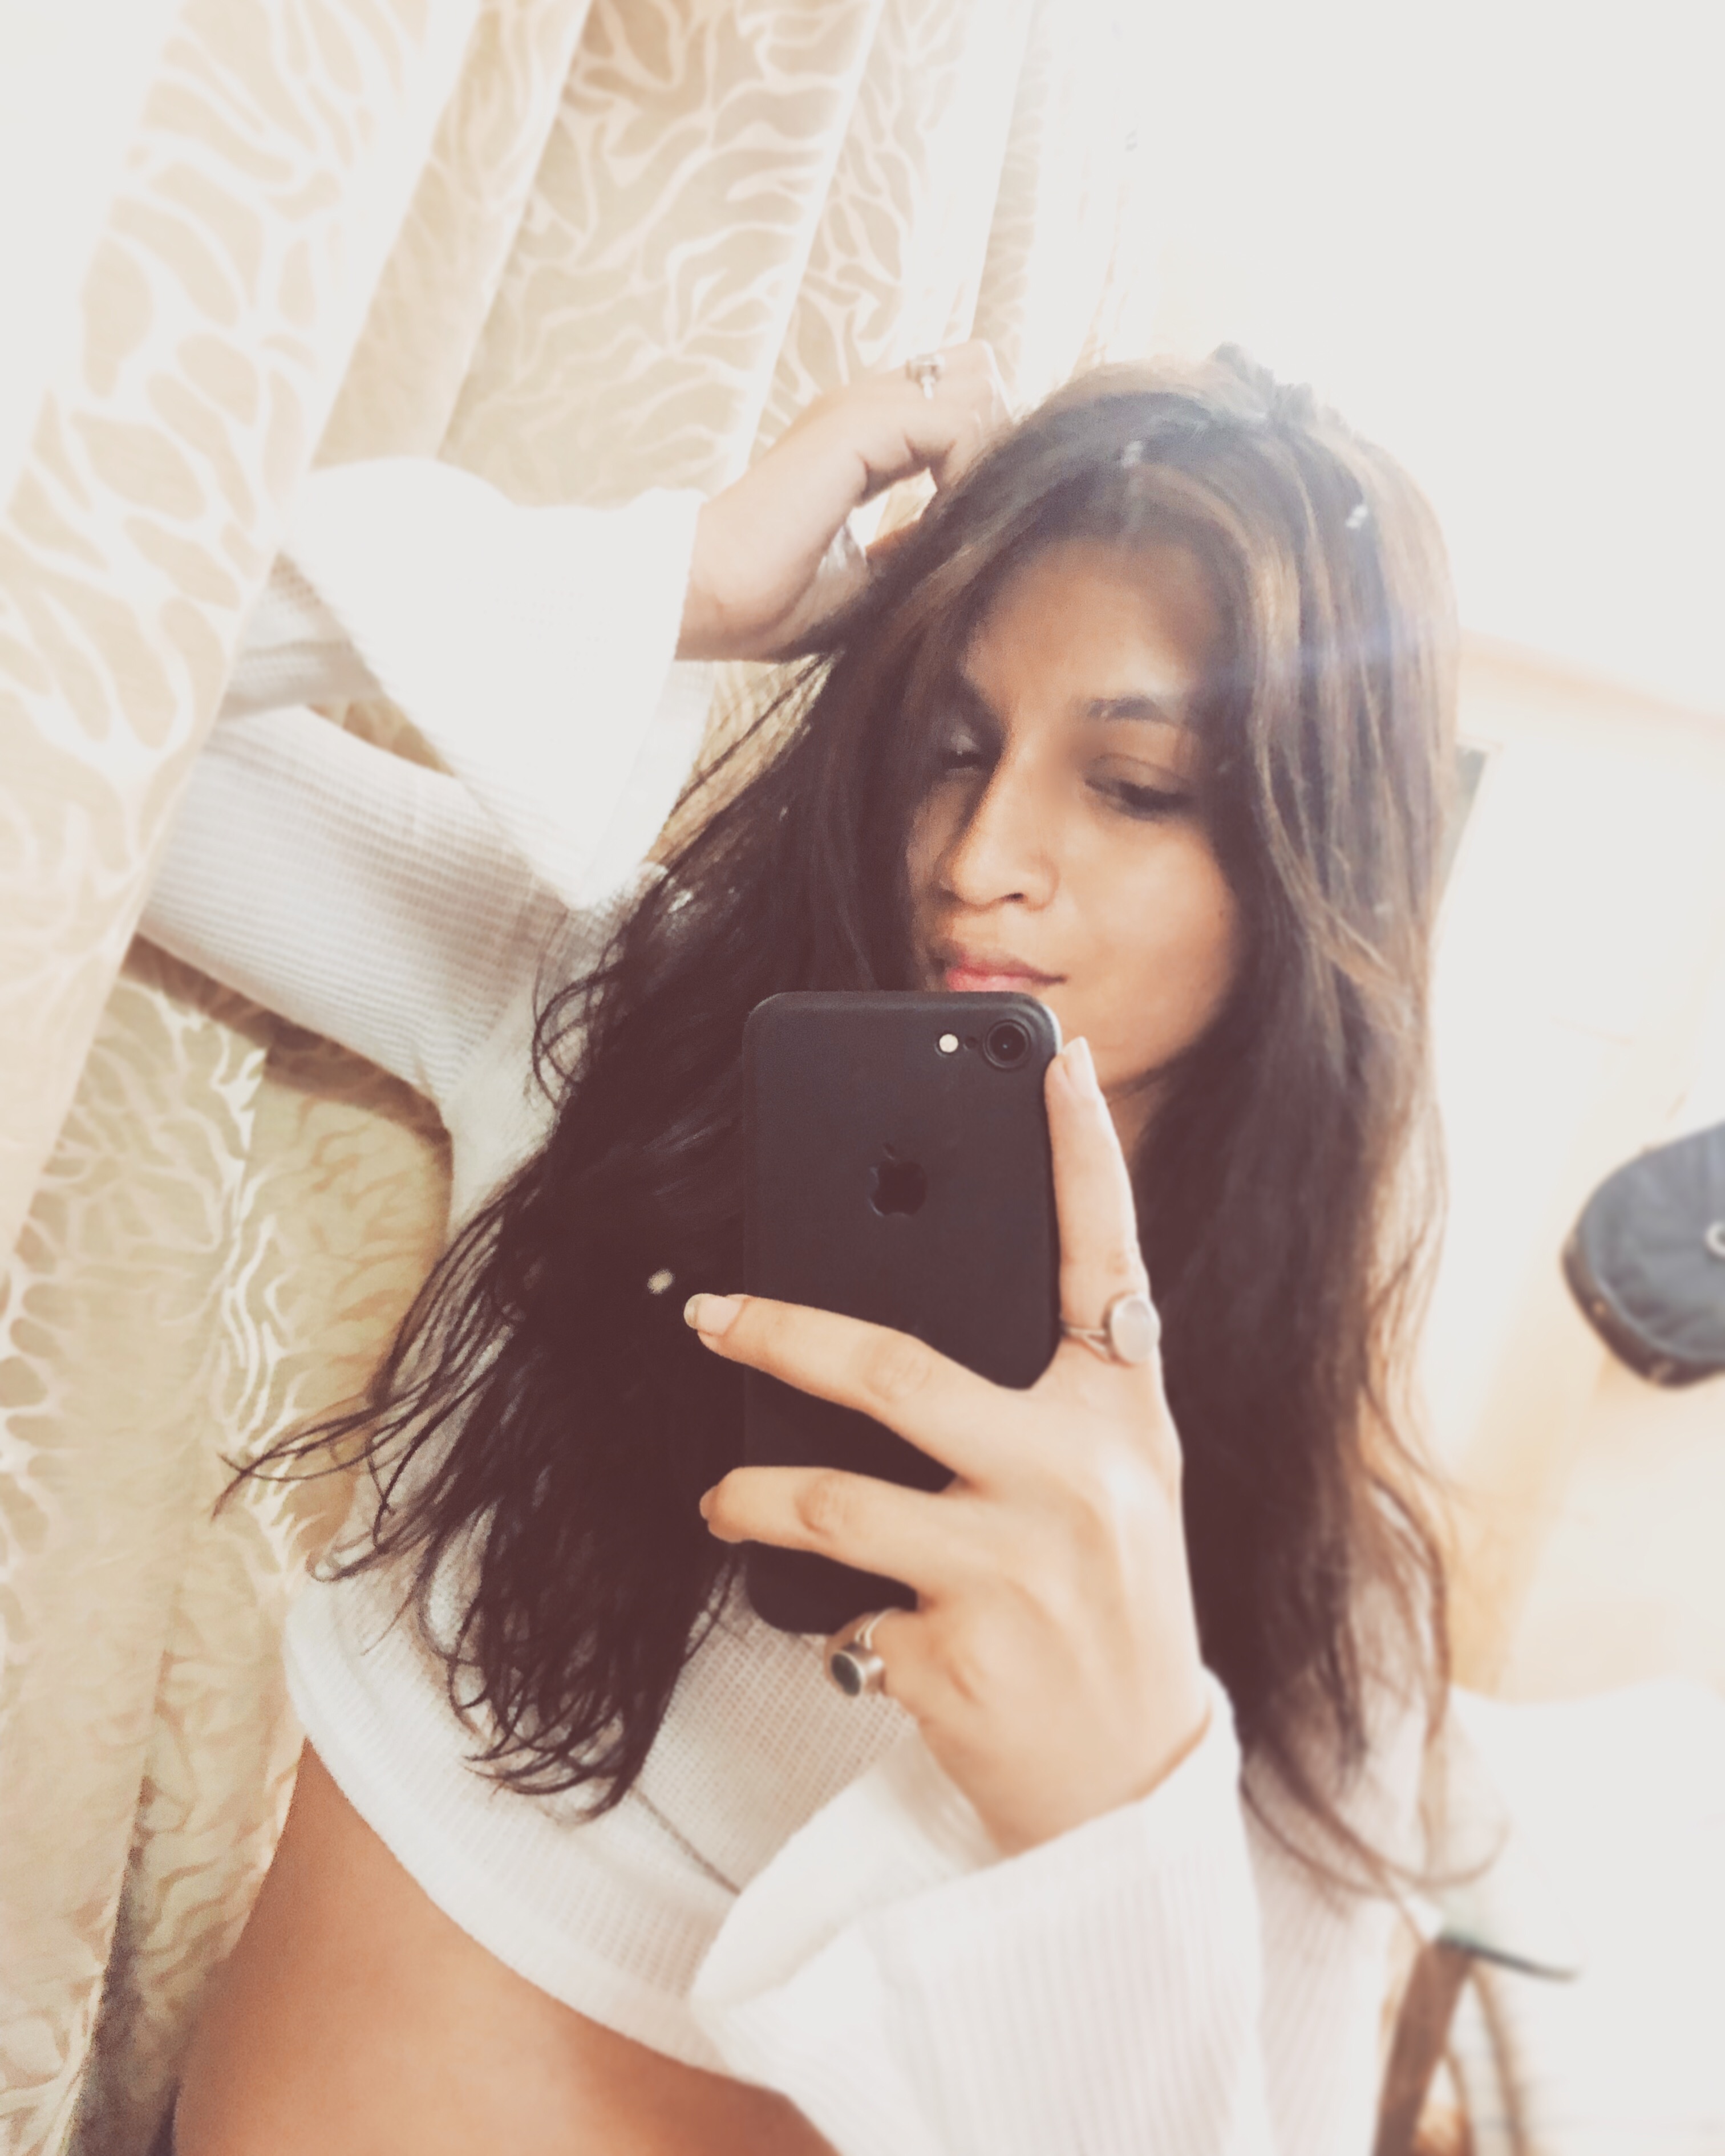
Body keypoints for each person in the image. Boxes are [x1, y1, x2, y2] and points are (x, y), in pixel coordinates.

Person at [140, 341, 1456, 2154]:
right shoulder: (627, 1049)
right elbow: (68, 698)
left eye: (1136, 784)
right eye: (951, 748)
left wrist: (1117, 1818)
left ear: (1314, 868)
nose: (984, 854)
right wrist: (673, 580)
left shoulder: (1315, 1595)